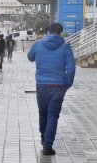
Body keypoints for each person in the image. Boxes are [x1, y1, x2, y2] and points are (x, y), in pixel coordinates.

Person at [27, 22, 76, 156]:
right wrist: (67, 84)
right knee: (53, 115)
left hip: (42, 86)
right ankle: (48, 144)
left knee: (43, 113)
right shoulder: (66, 47)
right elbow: (71, 68)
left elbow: (30, 57)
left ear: (48, 31)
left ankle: (44, 140)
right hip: (58, 87)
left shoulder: (38, 44)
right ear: (61, 32)